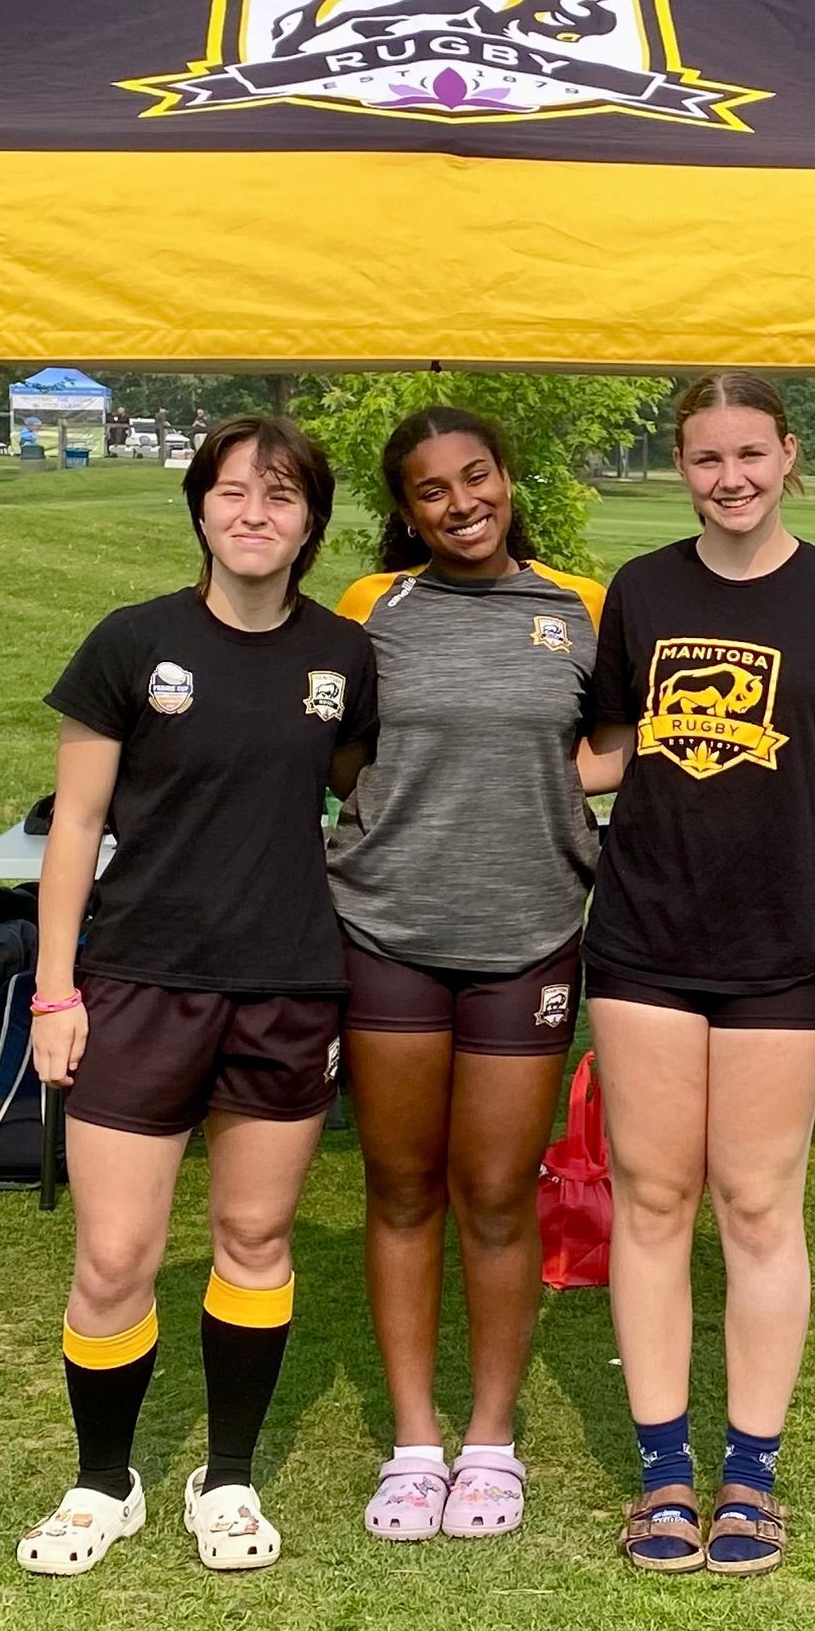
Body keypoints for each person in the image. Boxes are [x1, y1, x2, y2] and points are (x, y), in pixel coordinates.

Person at [17, 414, 377, 1578]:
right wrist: (55, 993)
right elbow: (74, 824)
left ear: (311, 520)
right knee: (116, 1253)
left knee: (255, 1234)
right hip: (138, 982)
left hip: (286, 986)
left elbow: (351, 798)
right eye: (231, 492)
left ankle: (226, 1478)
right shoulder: (131, 645)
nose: (253, 513)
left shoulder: (343, 659)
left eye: (279, 496)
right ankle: (101, 1481)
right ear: (200, 508)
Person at [583, 372, 815, 1578]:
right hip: (644, 944)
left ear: (788, 453)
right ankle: (665, 1469)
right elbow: (615, 751)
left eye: (748, 454)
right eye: (704, 458)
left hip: (789, 944)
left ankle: (752, 1472)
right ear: (682, 466)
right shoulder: (642, 589)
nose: (729, 478)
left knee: (758, 1203)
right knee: (654, 1195)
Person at [329, 406, 611, 1542]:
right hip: (385, 929)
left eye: (477, 476)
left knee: (498, 1195)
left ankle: (490, 1440)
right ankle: (412, 1444)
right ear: (405, 509)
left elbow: (625, 734)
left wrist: (555, 800)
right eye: (432, 489)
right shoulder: (369, 607)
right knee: (402, 1190)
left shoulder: (583, 606)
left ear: (509, 478)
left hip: (530, 935)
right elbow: (342, 746)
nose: (461, 503)